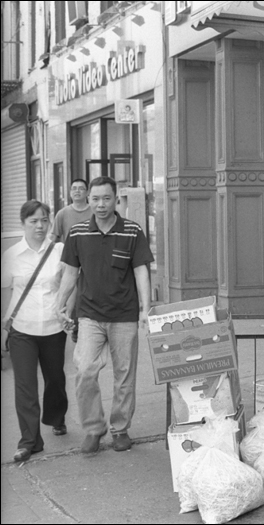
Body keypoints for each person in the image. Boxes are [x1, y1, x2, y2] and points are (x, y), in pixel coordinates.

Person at [55, 176, 153, 454]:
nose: (99, 204)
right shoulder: (77, 233)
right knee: (85, 370)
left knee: (125, 375)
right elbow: (70, 273)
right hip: (89, 316)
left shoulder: (132, 231)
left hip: (124, 315)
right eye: (94, 199)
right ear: (88, 199)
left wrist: (145, 309)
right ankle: (94, 429)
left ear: (115, 199)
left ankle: (120, 429)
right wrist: (60, 305)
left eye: (105, 198)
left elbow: (141, 271)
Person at [1, 201, 72, 462]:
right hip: (22, 331)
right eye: (34, 221)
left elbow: (71, 284)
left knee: (55, 380)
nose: (40, 226)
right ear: (23, 224)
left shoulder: (59, 251)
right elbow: (6, 293)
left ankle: (57, 416)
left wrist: (68, 312)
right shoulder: (11, 256)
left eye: (44, 220)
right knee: (25, 386)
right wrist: (4, 328)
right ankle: (29, 441)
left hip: (53, 329)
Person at [52, 178, 93, 343]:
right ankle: (74, 326)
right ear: (69, 192)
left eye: (81, 188)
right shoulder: (62, 214)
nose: (77, 191)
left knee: (87, 296)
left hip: (91, 262)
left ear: (87, 192)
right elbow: (53, 239)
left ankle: (87, 327)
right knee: (71, 297)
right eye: (74, 188)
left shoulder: (94, 211)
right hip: (70, 262)